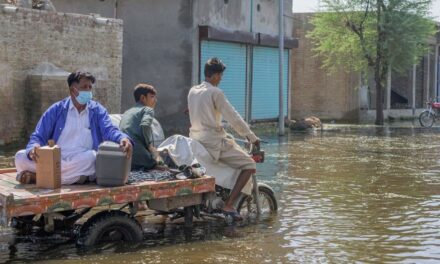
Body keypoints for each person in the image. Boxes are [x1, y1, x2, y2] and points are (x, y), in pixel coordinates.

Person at [14, 71, 133, 185]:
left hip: (81, 160)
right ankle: (63, 177)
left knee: (92, 157)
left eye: (90, 87)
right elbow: (38, 135)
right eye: (84, 87)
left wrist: (123, 138)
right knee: (20, 157)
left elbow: (109, 130)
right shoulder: (56, 110)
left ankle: (39, 177)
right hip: (55, 158)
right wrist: (33, 149)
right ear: (72, 90)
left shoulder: (98, 111)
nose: (88, 91)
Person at [187, 57, 260, 220]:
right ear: (214, 75)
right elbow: (233, 117)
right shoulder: (215, 92)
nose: (221, 79)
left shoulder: (193, 91)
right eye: (220, 76)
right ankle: (229, 205)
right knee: (249, 164)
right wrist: (252, 137)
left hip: (196, 140)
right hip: (213, 142)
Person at [119, 83, 162, 171]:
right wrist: (149, 145)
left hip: (123, 156)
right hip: (140, 155)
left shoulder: (127, 112)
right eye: (152, 97)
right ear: (143, 98)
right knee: (162, 165)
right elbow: (145, 125)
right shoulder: (148, 110)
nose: (155, 100)